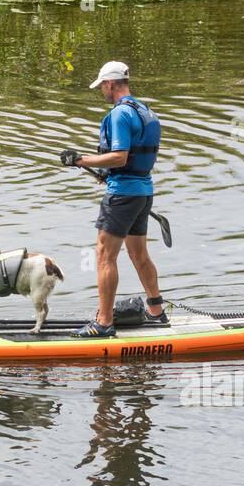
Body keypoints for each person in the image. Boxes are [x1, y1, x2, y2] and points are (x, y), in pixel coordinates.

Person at [60, 61, 167, 338]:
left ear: (110, 84)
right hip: (143, 192)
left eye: (102, 87)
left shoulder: (120, 114)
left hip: (122, 195)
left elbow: (119, 156)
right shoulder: (145, 111)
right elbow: (133, 159)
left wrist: (80, 159)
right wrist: (105, 174)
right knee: (139, 255)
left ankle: (104, 323)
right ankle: (156, 312)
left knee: (104, 256)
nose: (102, 93)